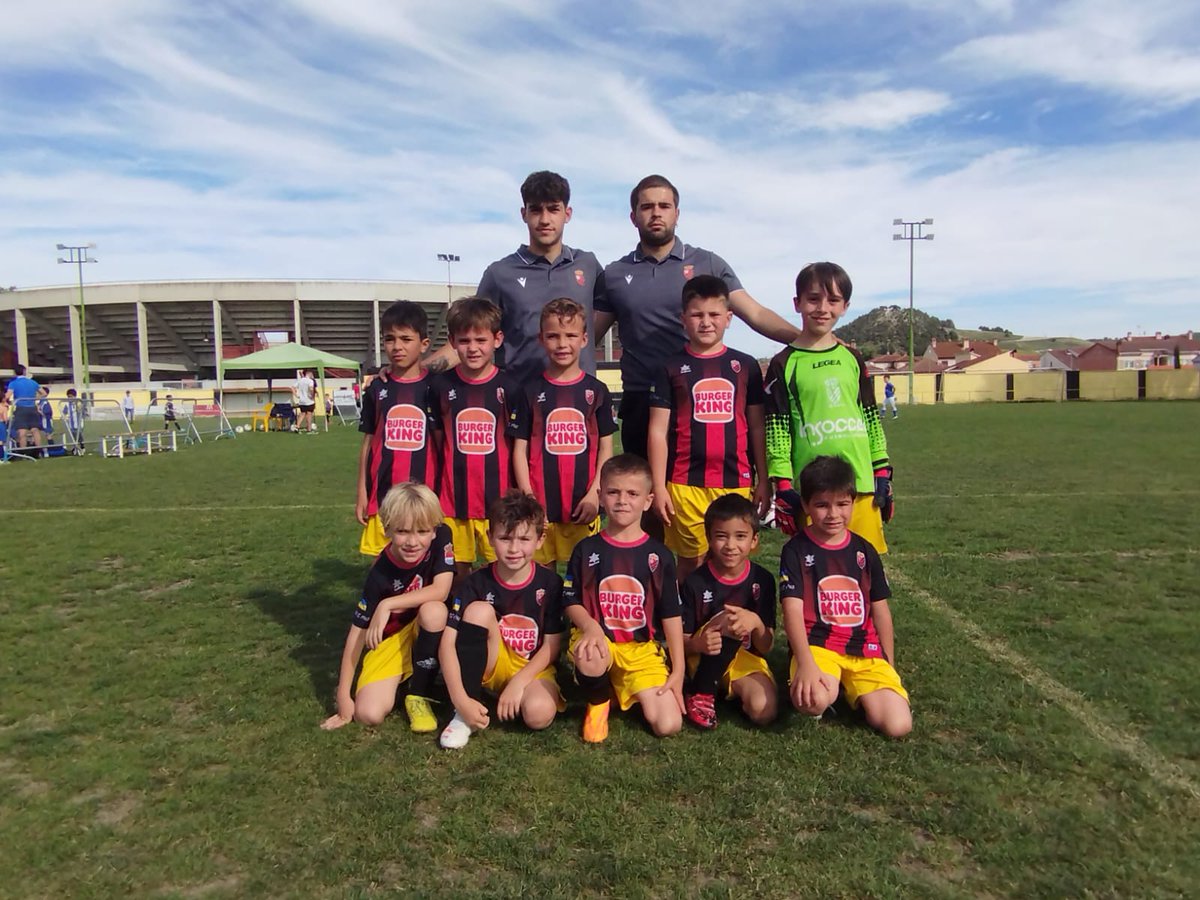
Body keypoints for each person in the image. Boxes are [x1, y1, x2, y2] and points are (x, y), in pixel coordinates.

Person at [594, 174, 801, 462]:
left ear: (677, 214)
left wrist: (808, 339)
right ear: (633, 216)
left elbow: (754, 313)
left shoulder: (709, 263)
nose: (656, 213)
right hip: (642, 400)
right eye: (647, 206)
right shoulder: (614, 274)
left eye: (664, 206)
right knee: (650, 501)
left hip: (703, 397)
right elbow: (585, 336)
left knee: (713, 498)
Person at [424, 171, 605, 384]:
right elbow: (470, 335)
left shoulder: (587, 264)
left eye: (553, 209)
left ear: (567, 213)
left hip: (580, 402)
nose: (545, 219)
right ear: (524, 214)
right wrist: (410, 372)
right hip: (520, 402)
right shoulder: (500, 273)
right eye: (536, 210)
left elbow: (613, 315)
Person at [764, 262, 893, 555]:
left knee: (865, 574)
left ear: (845, 306)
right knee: (814, 574)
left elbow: (870, 417)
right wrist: (783, 485)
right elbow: (777, 428)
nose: (823, 308)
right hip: (813, 493)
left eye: (833, 300)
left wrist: (882, 470)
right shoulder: (783, 363)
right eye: (813, 299)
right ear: (797, 303)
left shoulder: (853, 358)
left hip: (860, 486)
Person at [648, 275, 770, 582]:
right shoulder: (670, 367)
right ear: (683, 319)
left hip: (736, 480)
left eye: (714, 314)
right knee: (691, 561)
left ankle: (730, 624)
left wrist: (764, 479)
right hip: (685, 483)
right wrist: (659, 486)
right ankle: (686, 626)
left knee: (730, 560)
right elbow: (658, 431)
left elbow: (756, 427)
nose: (706, 322)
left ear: (729, 318)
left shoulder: (745, 367)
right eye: (697, 315)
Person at [779, 455, 912, 738]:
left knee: (898, 726)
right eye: (822, 505)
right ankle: (832, 687)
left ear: (853, 502)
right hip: (820, 646)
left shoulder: (865, 551)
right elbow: (791, 612)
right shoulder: (795, 550)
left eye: (842, 504)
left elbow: (880, 611)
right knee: (812, 701)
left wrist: (889, 662)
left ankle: (852, 691)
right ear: (805, 506)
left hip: (863, 649)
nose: (833, 514)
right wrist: (804, 662)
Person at [561, 454, 685, 743]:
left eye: (632, 494)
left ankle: (623, 687)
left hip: (640, 651)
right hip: (599, 641)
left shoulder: (659, 556)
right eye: (614, 492)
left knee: (668, 725)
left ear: (648, 500)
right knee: (591, 655)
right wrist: (590, 626)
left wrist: (678, 670)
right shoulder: (586, 549)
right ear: (601, 496)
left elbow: (671, 614)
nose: (622, 500)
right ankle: (598, 700)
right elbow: (570, 599)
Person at [320, 483, 454, 733]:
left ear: (434, 530)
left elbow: (441, 590)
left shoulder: (443, 534)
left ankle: (419, 694)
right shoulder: (380, 573)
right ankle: (407, 677)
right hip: (392, 639)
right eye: (403, 531)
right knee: (368, 714)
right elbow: (357, 633)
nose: (413, 541)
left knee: (434, 611)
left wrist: (388, 604)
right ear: (387, 528)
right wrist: (343, 695)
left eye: (422, 531)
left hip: (428, 625)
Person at [438, 491, 566, 749]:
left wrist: (519, 682)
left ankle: (514, 698)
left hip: (533, 668)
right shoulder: (475, 582)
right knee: (478, 611)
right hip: (493, 663)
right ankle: (465, 713)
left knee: (538, 715)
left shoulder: (551, 583)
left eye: (524, 539)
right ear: (490, 538)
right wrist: (459, 699)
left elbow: (553, 645)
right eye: (505, 538)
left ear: (540, 540)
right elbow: (447, 643)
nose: (514, 548)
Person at [511, 298, 616, 567]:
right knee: (536, 578)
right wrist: (529, 498)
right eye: (553, 336)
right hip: (541, 507)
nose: (562, 344)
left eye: (570, 335)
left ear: (583, 339)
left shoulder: (597, 391)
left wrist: (596, 493)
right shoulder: (529, 391)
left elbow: (606, 448)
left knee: (581, 580)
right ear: (541, 339)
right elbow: (519, 450)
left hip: (582, 504)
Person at [428, 296, 524, 576]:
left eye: (480, 340)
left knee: (504, 572)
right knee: (456, 575)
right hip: (452, 502)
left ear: (497, 339)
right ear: (453, 341)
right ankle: (459, 620)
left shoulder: (510, 387)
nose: (473, 348)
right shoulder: (441, 386)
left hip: (500, 501)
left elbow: (518, 445)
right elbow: (437, 444)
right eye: (465, 340)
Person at [679, 493, 778, 729]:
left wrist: (755, 621)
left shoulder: (762, 580)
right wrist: (699, 644)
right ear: (709, 538)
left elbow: (766, 646)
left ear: (754, 540)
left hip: (745, 658)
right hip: (702, 658)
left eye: (740, 536)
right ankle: (701, 691)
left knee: (763, 711)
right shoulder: (695, 581)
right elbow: (679, 640)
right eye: (721, 536)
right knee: (731, 618)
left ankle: (724, 690)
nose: (730, 545)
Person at [356, 301, 437, 557]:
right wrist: (362, 490)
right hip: (382, 495)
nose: (397, 347)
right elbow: (369, 442)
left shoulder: (438, 388)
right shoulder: (377, 389)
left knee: (431, 565)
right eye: (390, 339)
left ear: (423, 344)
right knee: (381, 564)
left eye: (406, 339)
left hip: (426, 494)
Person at [5, 364, 43, 451]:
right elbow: (43, 393)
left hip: (21, 408)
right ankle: (39, 450)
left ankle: (23, 452)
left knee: (22, 431)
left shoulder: (13, 383)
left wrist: (9, 402)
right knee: (35, 430)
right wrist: (34, 398)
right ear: (24, 371)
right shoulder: (33, 382)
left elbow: (7, 396)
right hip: (32, 408)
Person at [60, 388, 84, 452]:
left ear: (74, 396)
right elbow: (64, 412)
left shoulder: (78, 403)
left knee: (79, 434)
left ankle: (82, 446)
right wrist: (63, 416)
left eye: (71, 396)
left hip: (78, 422)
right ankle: (75, 447)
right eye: (68, 397)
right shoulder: (67, 404)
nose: (69, 398)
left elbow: (81, 411)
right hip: (71, 423)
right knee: (73, 435)